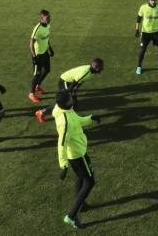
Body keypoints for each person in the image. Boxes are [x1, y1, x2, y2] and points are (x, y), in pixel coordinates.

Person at [54, 90, 101, 229]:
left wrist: (90, 118)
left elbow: (78, 121)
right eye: (70, 98)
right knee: (90, 182)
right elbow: (61, 143)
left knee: (81, 178)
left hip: (77, 154)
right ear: (65, 103)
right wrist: (63, 165)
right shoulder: (65, 122)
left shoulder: (67, 110)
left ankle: (81, 204)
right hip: (78, 155)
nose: (72, 99)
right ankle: (71, 216)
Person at [35, 58, 104, 122]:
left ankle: (70, 110)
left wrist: (74, 91)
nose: (102, 69)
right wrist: (67, 95)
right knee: (63, 101)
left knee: (74, 102)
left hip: (71, 82)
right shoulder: (85, 73)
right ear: (96, 68)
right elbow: (73, 85)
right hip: (65, 81)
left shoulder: (91, 71)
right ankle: (41, 112)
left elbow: (81, 81)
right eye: (101, 67)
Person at [135, 0, 158, 74]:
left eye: (155, 0)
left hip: (157, 32)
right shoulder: (143, 8)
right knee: (142, 50)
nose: (153, 1)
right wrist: (137, 30)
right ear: (149, 0)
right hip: (145, 33)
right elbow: (138, 19)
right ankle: (138, 66)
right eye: (152, 0)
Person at [27, 9, 55, 103]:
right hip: (38, 55)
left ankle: (37, 86)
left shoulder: (48, 26)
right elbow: (31, 44)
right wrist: (34, 57)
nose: (49, 19)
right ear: (42, 18)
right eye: (47, 18)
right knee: (37, 74)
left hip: (44, 52)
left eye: (49, 17)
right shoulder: (37, 29)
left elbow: (47, 38)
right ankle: (31, 93)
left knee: (47, 70)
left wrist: (50, 48)